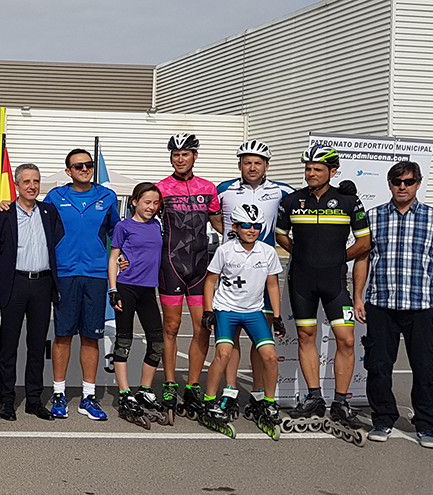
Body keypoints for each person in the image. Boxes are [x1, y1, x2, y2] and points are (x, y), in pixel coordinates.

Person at [353, 161, 433, 448]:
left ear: (418, 183)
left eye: (408, 181)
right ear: (389, 184)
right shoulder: (375, 216)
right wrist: (358, 296)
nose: (402, 186)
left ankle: (426, 425)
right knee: (379, 365)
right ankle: (383, 419)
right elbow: (363, 259)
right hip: (382, 304)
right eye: (397, 182)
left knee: (426, 367)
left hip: (423, 305)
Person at [275, 145, 370, 429]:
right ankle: (314, 397)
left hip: (335, 281)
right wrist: (303, 255)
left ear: (332, 171)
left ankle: (341, 402)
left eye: (317, 169)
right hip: (302, 279)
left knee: (347, 340)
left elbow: (364, 243)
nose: (311, 173)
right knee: (306, 335)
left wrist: (336, 258)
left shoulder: (348, 201)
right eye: (308, 169)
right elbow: (281, 235)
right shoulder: (292, 201)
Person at [214, 140, 293, 418]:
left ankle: (259, 394)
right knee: (230, 340)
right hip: (231, 272)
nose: (252, 166)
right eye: (247, 162)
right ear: (239, 164)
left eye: (258, 162)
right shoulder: (223, 189)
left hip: (262, 270)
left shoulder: (282, 191)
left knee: (262, 339)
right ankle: (231, 391)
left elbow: (306, 200)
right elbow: (214, 219)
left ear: (267, 166)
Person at [43, 149, 120, 420]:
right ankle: (59, 393)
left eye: (88, 165)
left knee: (91, 336)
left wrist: (126, 259)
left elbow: (117, 234)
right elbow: (39, 225)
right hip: (64, 274)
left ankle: (88, 396)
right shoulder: (55, 197)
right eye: (78, 166)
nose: (84, 169)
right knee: (63, 335)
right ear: (69, 171)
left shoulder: (107, 197)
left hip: (96, 275)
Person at [199, 204, 285, 437]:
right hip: (226, 309)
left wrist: (276, 316)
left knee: (270, 356)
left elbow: (273, 285)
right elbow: (210, 282)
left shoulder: (267, 251)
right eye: (246, 225)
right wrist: (208, 311)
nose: (252, 230)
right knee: (224, 353)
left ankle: (267, 402)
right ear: (235, 227)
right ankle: (209, 401)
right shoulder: (225, 250)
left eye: (257, 226)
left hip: (254, 311)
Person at [0, 163, 63, 421]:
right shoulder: (2, 216)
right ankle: (6, 401)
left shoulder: (49, 213)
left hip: (43, 284)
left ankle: (34, 400)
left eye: (36, 181)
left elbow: (58, 240)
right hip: (15, 283)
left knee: (37, 345)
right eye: (27, 181)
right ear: (17, 185)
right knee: (8, 346)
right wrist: (7, 272)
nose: (32, 186)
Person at [155, 133, 222, 417]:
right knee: (169, 328)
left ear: (195, 156)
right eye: (175, 155)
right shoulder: (161, 188)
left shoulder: (208, 188)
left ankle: (193, 385)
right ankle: (170, 383)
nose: (179, 159)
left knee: (202, 327)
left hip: (199, 268)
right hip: (171, 266)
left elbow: (223, 225)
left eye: (185, 154)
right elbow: (142, 220)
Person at [107, 182, 168, 427]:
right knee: (124, 341)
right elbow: (113, 258)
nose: (151, 207)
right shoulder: (124, 226)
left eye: (155, 203)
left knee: (157, 343)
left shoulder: (157, 225)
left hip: (147, 290)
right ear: (134, 202)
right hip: (126, 288)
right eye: (147, 202)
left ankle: (144, 389)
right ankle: (124, 393)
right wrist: (113, 290)